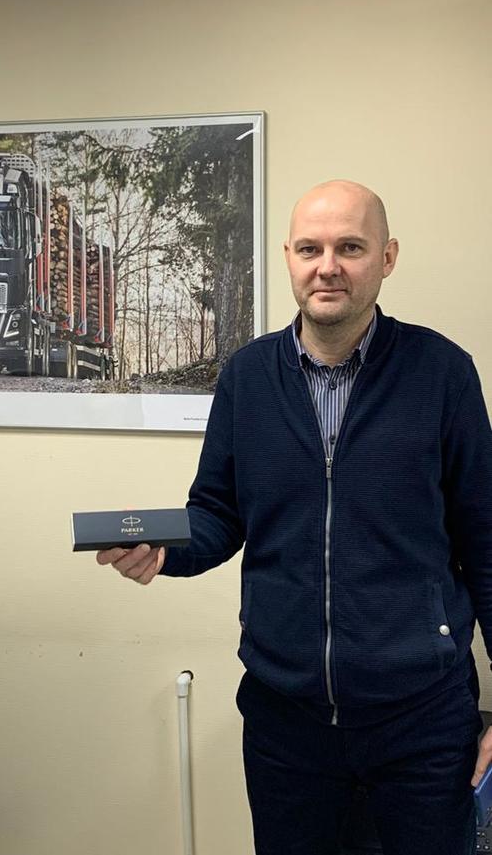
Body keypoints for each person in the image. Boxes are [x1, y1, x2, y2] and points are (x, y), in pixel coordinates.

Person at [97, 180, 492, 855]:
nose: (327, 266)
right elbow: (217, 512)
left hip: (422, 720)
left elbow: (484, 541)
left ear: (387, 257)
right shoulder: (247, 377)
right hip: (286, 724)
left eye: (350, 248)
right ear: (288, 256)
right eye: (310, 248)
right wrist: (165, 549)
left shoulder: (442, 373)